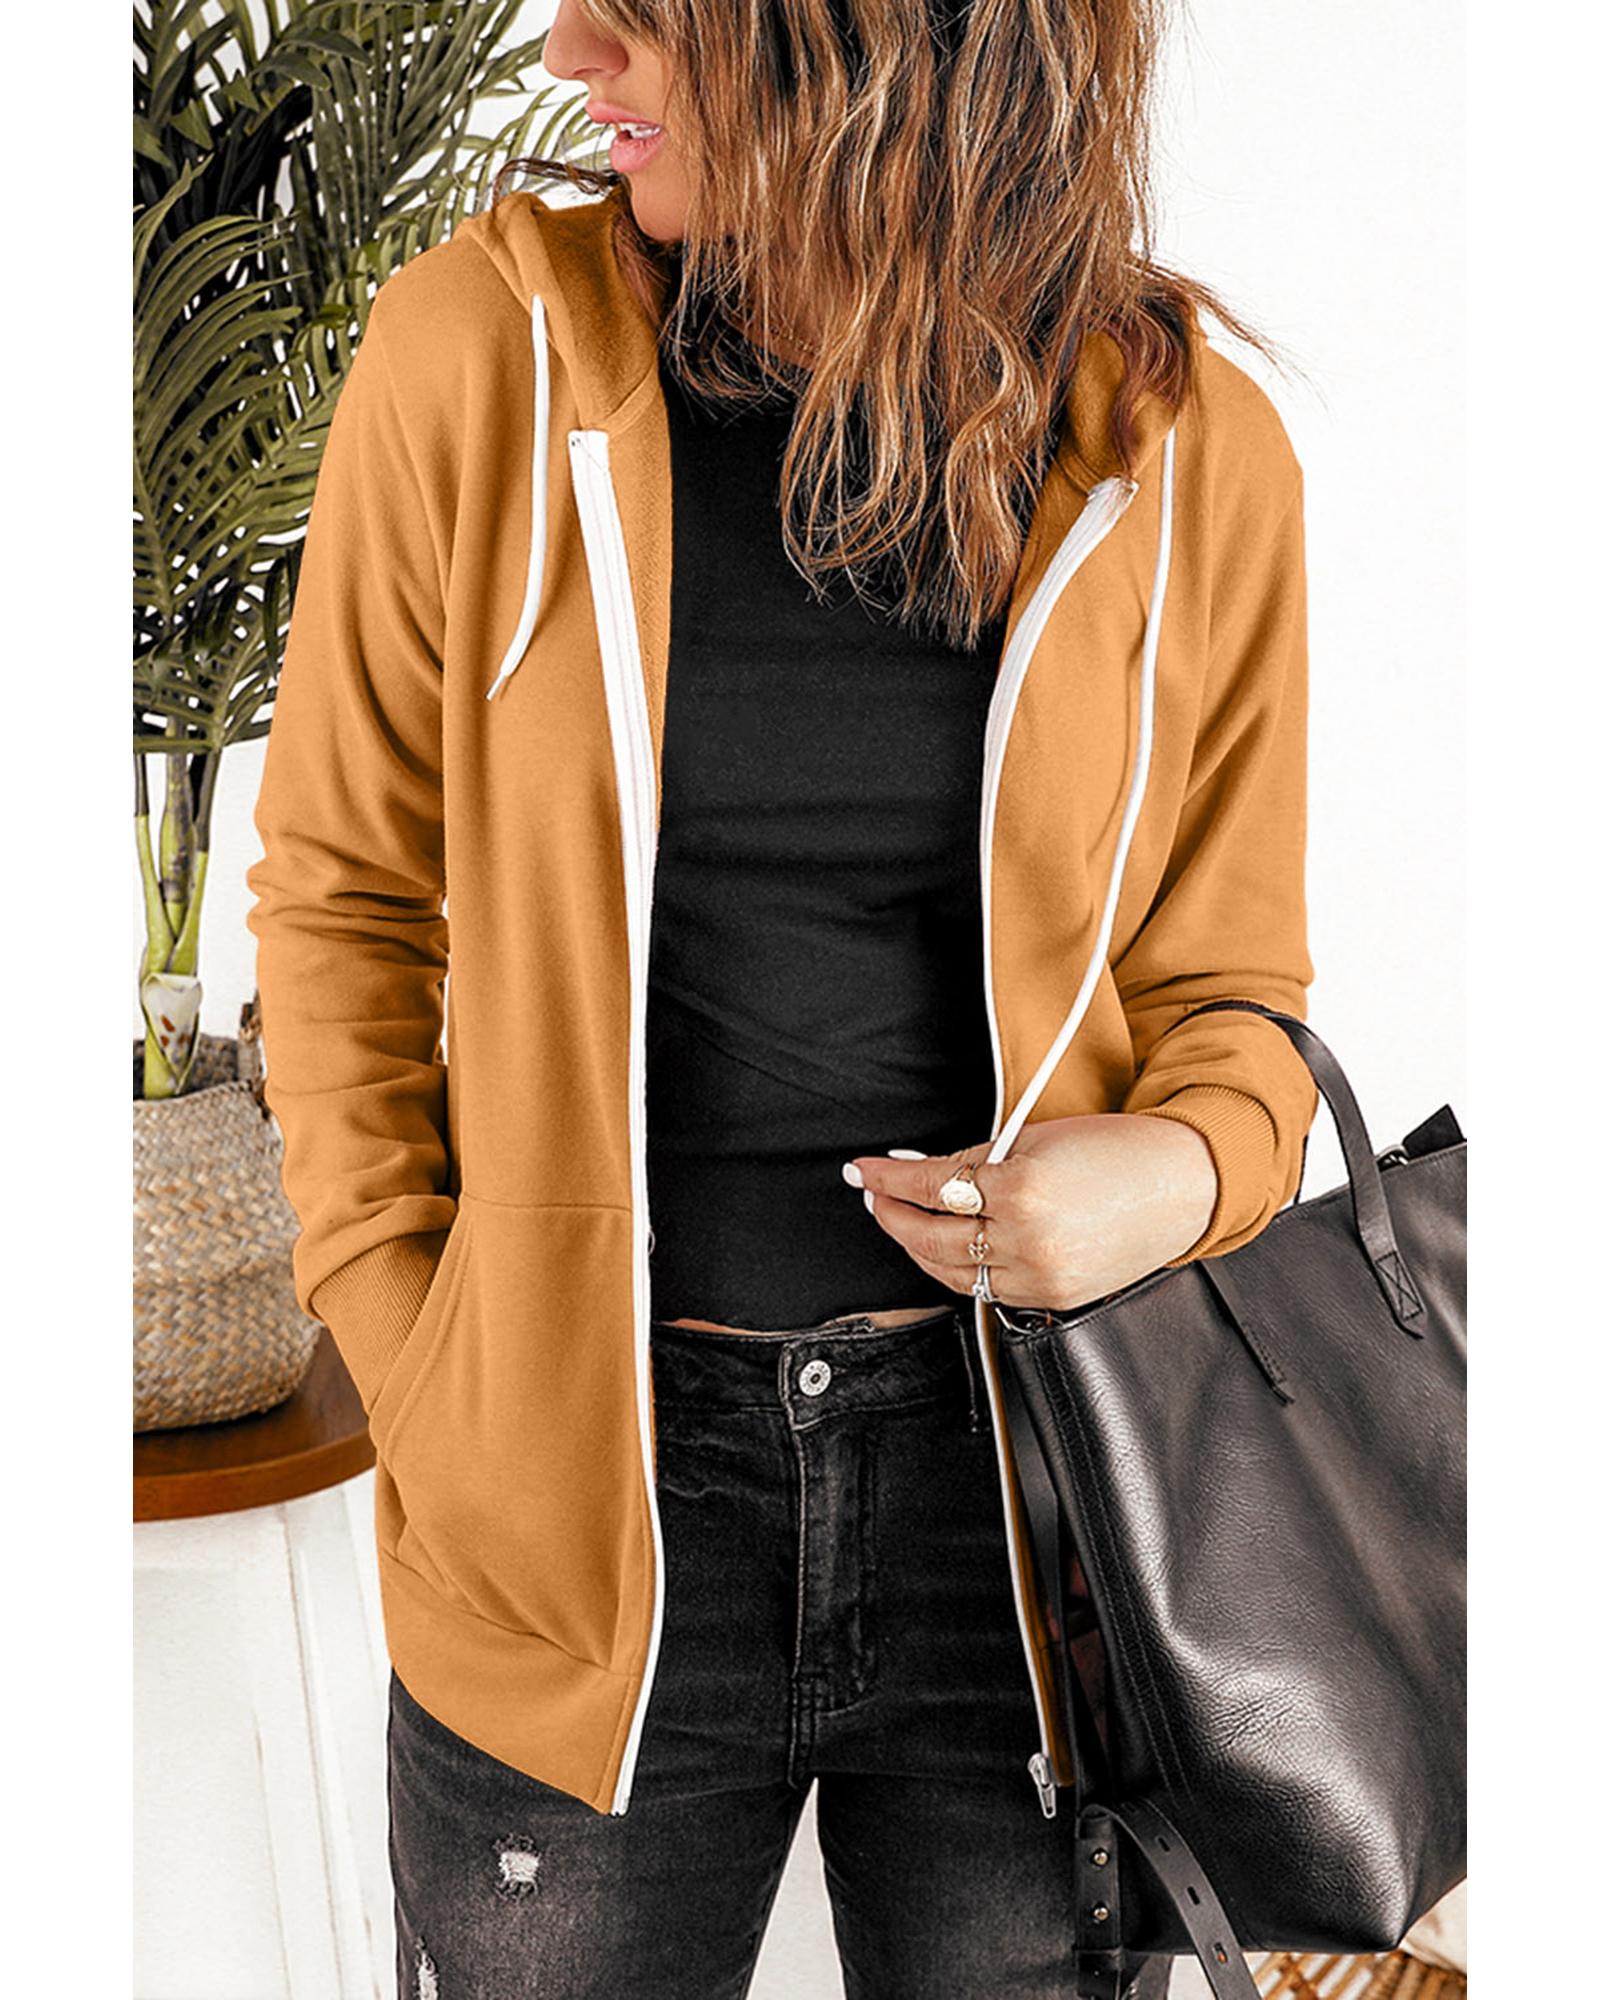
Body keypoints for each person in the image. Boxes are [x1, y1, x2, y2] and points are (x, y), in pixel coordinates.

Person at [246, 0, 1319, 1991]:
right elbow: (342, 908)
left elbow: (1234, 990)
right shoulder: (480, 362)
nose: (570, 53)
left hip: (1034, 1524)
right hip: (573, 1502)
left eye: (649, 14)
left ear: (869, 37)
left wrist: (1171, 1176)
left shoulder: (1181, 454)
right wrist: (421, 1351)